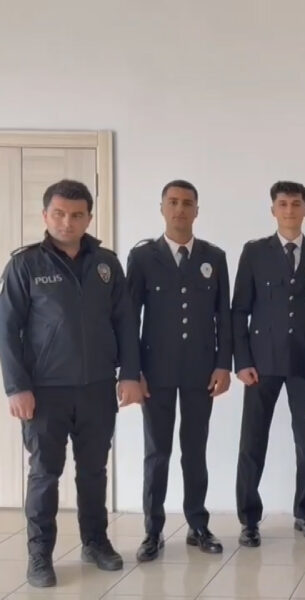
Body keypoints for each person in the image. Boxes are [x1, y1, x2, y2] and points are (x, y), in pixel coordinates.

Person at [0, 179, 143, 587]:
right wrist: (16, 387)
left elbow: (125, 323)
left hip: (97, 387)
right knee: (45, 473)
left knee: (94, 471)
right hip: (45, 391)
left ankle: (95, 542)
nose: (68, 222)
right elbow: (6, 330)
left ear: (89, 218)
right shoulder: (26, 265)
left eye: (77, 215)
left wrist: (129, 374)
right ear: (45, 216)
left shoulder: (106, 264)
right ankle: (39, 555)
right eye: (59, 214)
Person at [232, 181, 305, 547]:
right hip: (260, 364)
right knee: (252, 443)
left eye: (296, 204)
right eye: (283, 204)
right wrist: (241, 360)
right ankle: (249, 519)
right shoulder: (254, 252)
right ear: (273, 210)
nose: (290, 210)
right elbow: (239, 310)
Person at [126, 180, 231, 562]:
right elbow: (129, 318)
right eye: (173, 202)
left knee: (195, 450)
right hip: (155, 372)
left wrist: (223, 364)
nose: (180, 209)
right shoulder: (142, 257)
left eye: (187, 203)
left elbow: (224, 316)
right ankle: (152, 531)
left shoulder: (213, 257)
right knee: (157, 453)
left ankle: (197, 524)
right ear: (162, 208)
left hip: (200, 372)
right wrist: (132, 371)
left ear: (197, 210)